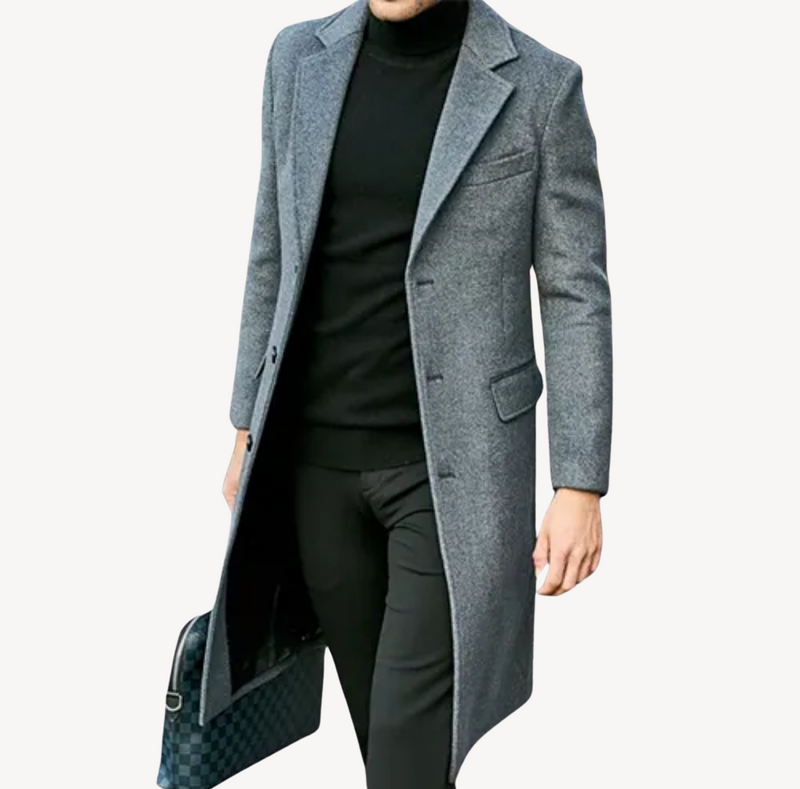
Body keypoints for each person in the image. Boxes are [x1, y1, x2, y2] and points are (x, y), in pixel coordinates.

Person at [220, 1, 612, 787]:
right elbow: (272, 247)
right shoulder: (298, 60)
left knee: (405, 757)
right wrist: (244, 426)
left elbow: (575, 292)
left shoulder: (540, 86)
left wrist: (580, 481)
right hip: (315, 470)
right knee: (398, 754)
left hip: (452, 478)